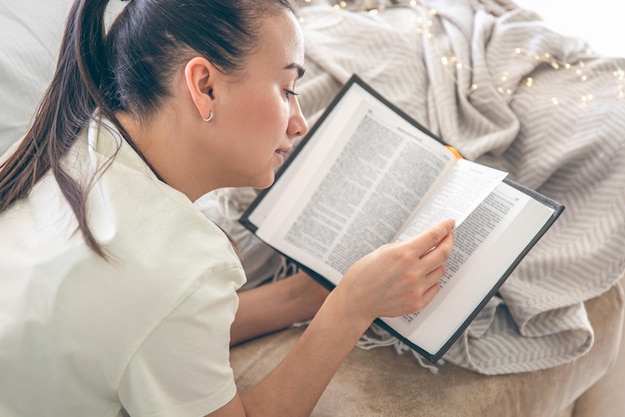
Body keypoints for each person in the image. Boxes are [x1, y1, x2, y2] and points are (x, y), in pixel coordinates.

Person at [0, 0, 454, 416]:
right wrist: (352, 309)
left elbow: (154, 330)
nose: (300, 123)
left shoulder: (71, 141)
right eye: (287, 88)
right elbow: (165, 304)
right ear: (204, 86)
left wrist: (313, 294)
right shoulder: (174, 264)